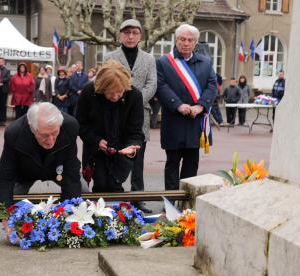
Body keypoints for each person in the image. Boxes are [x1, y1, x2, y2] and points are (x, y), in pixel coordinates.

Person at [0, 101, 82, 220]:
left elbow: (71, 171)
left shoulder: (71, 126)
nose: (50, 141)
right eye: (44, 135)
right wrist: (5, 217)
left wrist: (71, 214)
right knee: (8, 195)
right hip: (25, 173)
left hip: (59, 170)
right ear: (32, 128)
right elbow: (4, 178)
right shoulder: (14, 133)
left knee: (82, 190)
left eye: (55, 133)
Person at [104, 18, 157, 213]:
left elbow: (152, 84)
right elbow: (104, 82)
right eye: (127, 33)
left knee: (138, 156)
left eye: (135, 33)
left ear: (140, 36)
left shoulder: (149, 59)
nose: (131, 36)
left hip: (140, 113)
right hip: (114, 111)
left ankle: (138, 196)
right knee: (113, 153)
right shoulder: (110, 56)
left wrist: (134, 102)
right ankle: (112, 193)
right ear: (120, 35)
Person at [156, 24, 216, 191]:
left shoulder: (205, 62)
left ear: (195, 43)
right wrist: (178, 105)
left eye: (190, 40)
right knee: (172, 163)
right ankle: (170, 202)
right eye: (182, 39)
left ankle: (186, 203)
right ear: (176, 41)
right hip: (174, 120)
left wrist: (201, 105)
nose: (186, 43)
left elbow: (212, 86)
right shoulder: (163, 62)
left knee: (191, 164)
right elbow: (161, 86)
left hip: (195, 122)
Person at [77, 60, 144, 193]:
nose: (115, 97)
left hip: (123, 149)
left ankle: (117, 211)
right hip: (96, 150)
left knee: (115, 185)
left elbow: (136, 131)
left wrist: (132, 147)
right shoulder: (89, 92)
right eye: (110, 93)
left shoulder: (134, 95)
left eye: (119, 92)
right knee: (100, 184)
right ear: (101, 88)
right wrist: (96, 141)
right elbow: (80, 124)